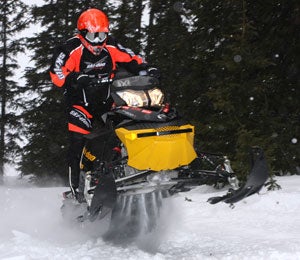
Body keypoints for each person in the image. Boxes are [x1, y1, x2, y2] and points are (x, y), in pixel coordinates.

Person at [49, 8, 158, 201]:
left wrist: (146, 68)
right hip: (79, 103)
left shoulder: (111, 46)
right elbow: (56, 73)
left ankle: (126, 170)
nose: (98, 41)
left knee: (127, 126)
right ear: (82, 34)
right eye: (94, 35)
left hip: (107, 101)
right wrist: (74, 77)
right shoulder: (70, 49)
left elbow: (132, 58)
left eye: (102, 35)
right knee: (78, 143)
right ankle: (76, 190)